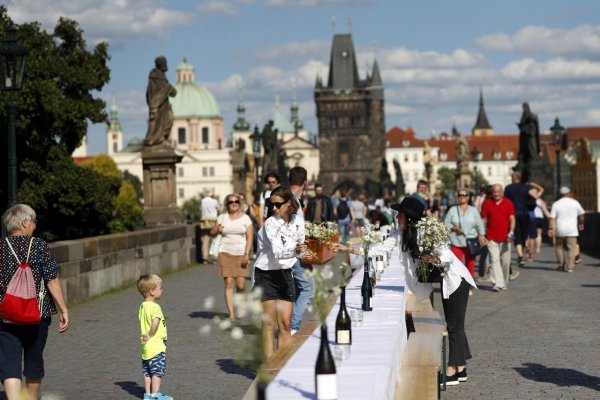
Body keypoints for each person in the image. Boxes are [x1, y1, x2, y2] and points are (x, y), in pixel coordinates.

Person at [335, 197, 477, 386]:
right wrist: (348, 248)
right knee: (454, 322)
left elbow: (446, 255)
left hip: (455, 280)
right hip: (444, 281)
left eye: (400, 214)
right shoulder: (402, 233)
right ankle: (461, 369)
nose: (396, 217)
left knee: (454, 324)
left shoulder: (426, 231)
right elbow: (380, 248)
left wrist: (432, 259)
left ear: (409, 217)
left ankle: (453, 368)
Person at [0, 204, 69, 400]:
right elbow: (51, 278)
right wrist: (63, 308)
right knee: (33, 360)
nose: (35, 226)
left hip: (5, 315)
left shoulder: (1, 248)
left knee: (9, 361)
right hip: (37, 313)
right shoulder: (39, 245)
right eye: (34, 221)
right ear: (24, 223)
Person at [253, 186, 306, 357]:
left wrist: (304, 250)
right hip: (266, 274)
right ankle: (269, 369)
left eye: (277, 205)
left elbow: (302, 249)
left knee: (285, 324)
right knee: (268, 325)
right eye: (271, 205)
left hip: (285, 273)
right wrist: (296, 250)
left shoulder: (298, 220)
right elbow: (278, 252)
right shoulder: (270, 223)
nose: (273, 209)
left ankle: (282, 365)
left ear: (289, 202)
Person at [210, 194, 253, 321]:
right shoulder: (222, 218)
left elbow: (250, 237)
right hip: (225, 252)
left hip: (241, 254)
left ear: (239, 204)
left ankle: (240, 305)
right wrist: (218, 229)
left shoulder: (246, 219)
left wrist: (246, 254)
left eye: (236, 202)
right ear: (226, 204)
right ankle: (231, 314)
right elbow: (212, 233)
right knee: (229, 282)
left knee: (240, 285)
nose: (233, 204)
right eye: (230, 202)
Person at [287, 167, 314, 336]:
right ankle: (292, 327)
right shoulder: (293, 201)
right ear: (306, 182)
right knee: (308, 289)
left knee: (295, 290)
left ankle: (288, 324)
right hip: (294, 252)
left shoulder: (284, 197)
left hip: (287, 252)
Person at [137, 274, 172, 400]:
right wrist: (151, 334)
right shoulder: (155, 307)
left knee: (147, 372)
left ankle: (148, 394)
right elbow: (155, 322)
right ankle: (156, 394)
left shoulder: (142, 306)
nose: (161, 290)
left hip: (145, 347)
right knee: (157, 371)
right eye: (160, 288)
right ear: (152, 291)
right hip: (156, 345)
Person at [444, 188, 486, 279]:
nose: (462, 197)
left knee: (470, 264)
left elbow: (479, 224)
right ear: (457, 197)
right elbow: (446, 223)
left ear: (468, 197)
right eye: (460, 195)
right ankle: (457, 284)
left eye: (464, 195)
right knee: (455, 265)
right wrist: (455, 228)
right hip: (456, 240)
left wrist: (482, 235)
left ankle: (469, 285)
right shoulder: (453, 209)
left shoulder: (473, 210)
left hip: (471, 240)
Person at [481, 184, 516, 292]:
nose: (496, 194)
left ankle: (503, 282)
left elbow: (512, 219)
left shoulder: (508, 203)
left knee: (505, 262)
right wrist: (482, 234)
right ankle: (496, 283)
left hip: (506, 237)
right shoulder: (487, 203)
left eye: (498, 192)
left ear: (502, 192)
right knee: (494, 260)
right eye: (494, 192)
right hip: (491, 237)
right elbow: (483, 219)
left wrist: (511, 232)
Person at [504, 171, 537, 274]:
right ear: (520, 178)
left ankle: (520, 255)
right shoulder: (525, 187)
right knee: (524, 234)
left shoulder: (508, 188)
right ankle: (521, 254)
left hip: (513, 214)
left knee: (517, 234)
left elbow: (505, 201)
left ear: (512, 178)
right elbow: (535, 197)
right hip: (525, 213)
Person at [548, 187, 585, 273]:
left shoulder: (556, 204)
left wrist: (551, 228)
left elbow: (552, 218)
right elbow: (581, 215)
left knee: (559, 247)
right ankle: (570, 267)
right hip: (572, 230)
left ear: (560, 194)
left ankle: (561, 265)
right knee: (571, 248)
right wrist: (581, 223)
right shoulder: (575, 203)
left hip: (560, 229)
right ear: (569, 193)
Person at [144, 56, 177, 147]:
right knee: (160, 122)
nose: (165, 65)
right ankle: (157, 139)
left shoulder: (160, 75)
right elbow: (163, 89)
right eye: (164, 63)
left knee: (169, 120)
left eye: (165, 63)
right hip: (159, 105)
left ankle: (160, 138)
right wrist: (170, 88)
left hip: (163, 104)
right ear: (159, 65)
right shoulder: (156, 75)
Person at [200, 193, 220, 263]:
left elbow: (200, 209)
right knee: (214, 239)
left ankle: (205, 258)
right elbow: (218, 208)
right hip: (213, 220)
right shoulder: (214, 201)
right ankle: (213, 257)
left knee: (205, 239)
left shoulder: (202, 200)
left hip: (204, 220)